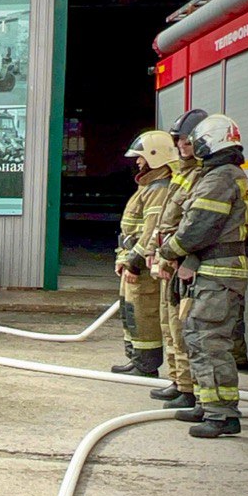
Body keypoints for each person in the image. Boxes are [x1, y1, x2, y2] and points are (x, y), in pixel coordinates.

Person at [158, 114, 248, 438]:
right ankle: (207, 402)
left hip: (219, 274)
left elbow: (198, 225)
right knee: (198, 336)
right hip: (214, 272)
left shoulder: (220, 178)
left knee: (209, 340)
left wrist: (169, 249)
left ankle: (222, 415)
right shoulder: (222, 174)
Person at [146, 109, 207, 410]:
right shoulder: (182, 173)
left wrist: (175, 254)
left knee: (181, 327)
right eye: (179, 141)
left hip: (183, 261)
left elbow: (192, 221)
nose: (182, 146)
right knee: (168, 325)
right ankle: (179, 381)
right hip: (168, 259)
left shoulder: (202, 174)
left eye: (187, 141)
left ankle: (189, 388)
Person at [111, 130, 175, 377]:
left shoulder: (159, 188)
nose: (137, 162)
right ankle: (136, 359)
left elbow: (150, 232)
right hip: (132, 260)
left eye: (141, 157)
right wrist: (123, 258)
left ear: (155, 157)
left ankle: (146, 365)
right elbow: (132, 229)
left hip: (143, 266)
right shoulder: (148, 186)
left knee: (143, 312)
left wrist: (135, 262)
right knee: (130, 310)